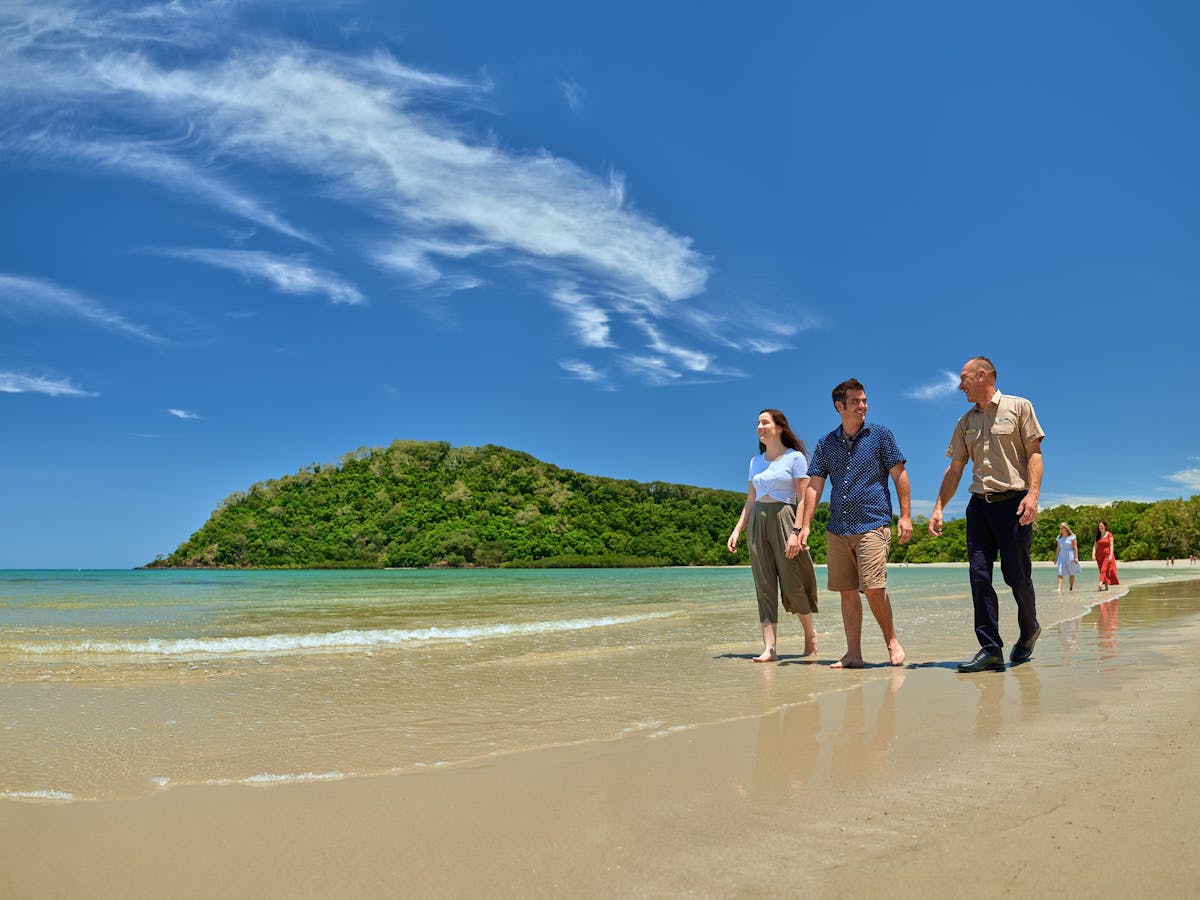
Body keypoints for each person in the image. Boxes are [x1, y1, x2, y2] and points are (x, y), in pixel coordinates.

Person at [929, 356, 1045, 673]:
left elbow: (1034, 455)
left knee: (1017, 577)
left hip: (1015, 504)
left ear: (982, 376)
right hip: (979, 506)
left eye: (964, 378)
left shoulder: (1019, 407)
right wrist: (939, 507)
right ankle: (990, 649)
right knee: (979, 577)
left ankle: (1029, 628)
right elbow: (955, 470)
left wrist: (1033, 496)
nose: (959, 385)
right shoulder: (964, 422)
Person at [798, 378, 911, 668]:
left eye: (864, 400)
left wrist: (906, 516)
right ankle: (853, 654)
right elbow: (814, 486)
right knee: (847, 591)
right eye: (856, 401)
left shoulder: (881, 435)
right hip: (838, 528)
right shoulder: (826, 444)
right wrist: (805, 524)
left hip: (873, 523)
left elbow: (899, 474)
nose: (863, 405)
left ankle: (891, 640)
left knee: (874, 587)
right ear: (840, 406)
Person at [727, 408, 820, 662]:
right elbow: (750, 500)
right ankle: (770, 648)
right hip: (758, 520)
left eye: (764, 422)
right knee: (764, 585)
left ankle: (809, 634)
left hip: (785, 518)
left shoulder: (795, 458)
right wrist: (737, 530)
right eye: (757, 423)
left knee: (793, 582)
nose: (759, 427)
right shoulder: (754, 462)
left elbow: (802, 499)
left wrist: (797, 531)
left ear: (779, 427)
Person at [1055, 523, 1082, 593]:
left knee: (1071, 573)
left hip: (1070, 555)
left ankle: (1071, 588)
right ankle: (1059, 588)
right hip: (1061, 555)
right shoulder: (1059, 537)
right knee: (1060, 572)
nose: (1061, 530)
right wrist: (1056, 558)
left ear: (1066, 528)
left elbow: (1075, 548)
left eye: (1062, 528)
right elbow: (1058, 548)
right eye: (1060, 528)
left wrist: (1076, 557)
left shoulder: (1072, 537)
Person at [1094, 521, 1120, 590]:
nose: (1099, 527)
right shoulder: (1098, 535)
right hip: (1099, 556)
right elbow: (1095, 546)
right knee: (1102, 570)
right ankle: (1106, 587)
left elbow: (1111, 545)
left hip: (1107, 555)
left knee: (1104, 569)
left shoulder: (1109, 534)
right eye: (1099, 526)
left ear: (1105, 526)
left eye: (1101, 525)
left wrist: (1111, 555)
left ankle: (1100, 584)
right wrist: (1093, 554)